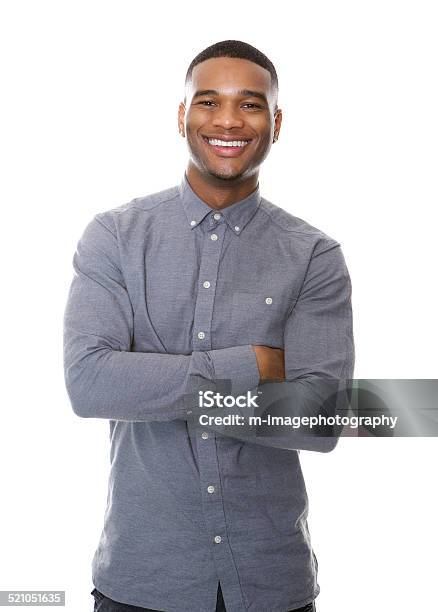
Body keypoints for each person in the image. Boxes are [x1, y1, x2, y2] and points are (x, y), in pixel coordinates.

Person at [63, 39, 354, 612]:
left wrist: (153, 385)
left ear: (276, 122)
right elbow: (89, 384)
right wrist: (252, 367)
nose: (227, 121)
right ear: (182, 117)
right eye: (208, 102)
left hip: (271, 583)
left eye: (249, 105)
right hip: (141, 580)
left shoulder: (314, 256)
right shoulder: (115, 238)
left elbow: (322, 418)